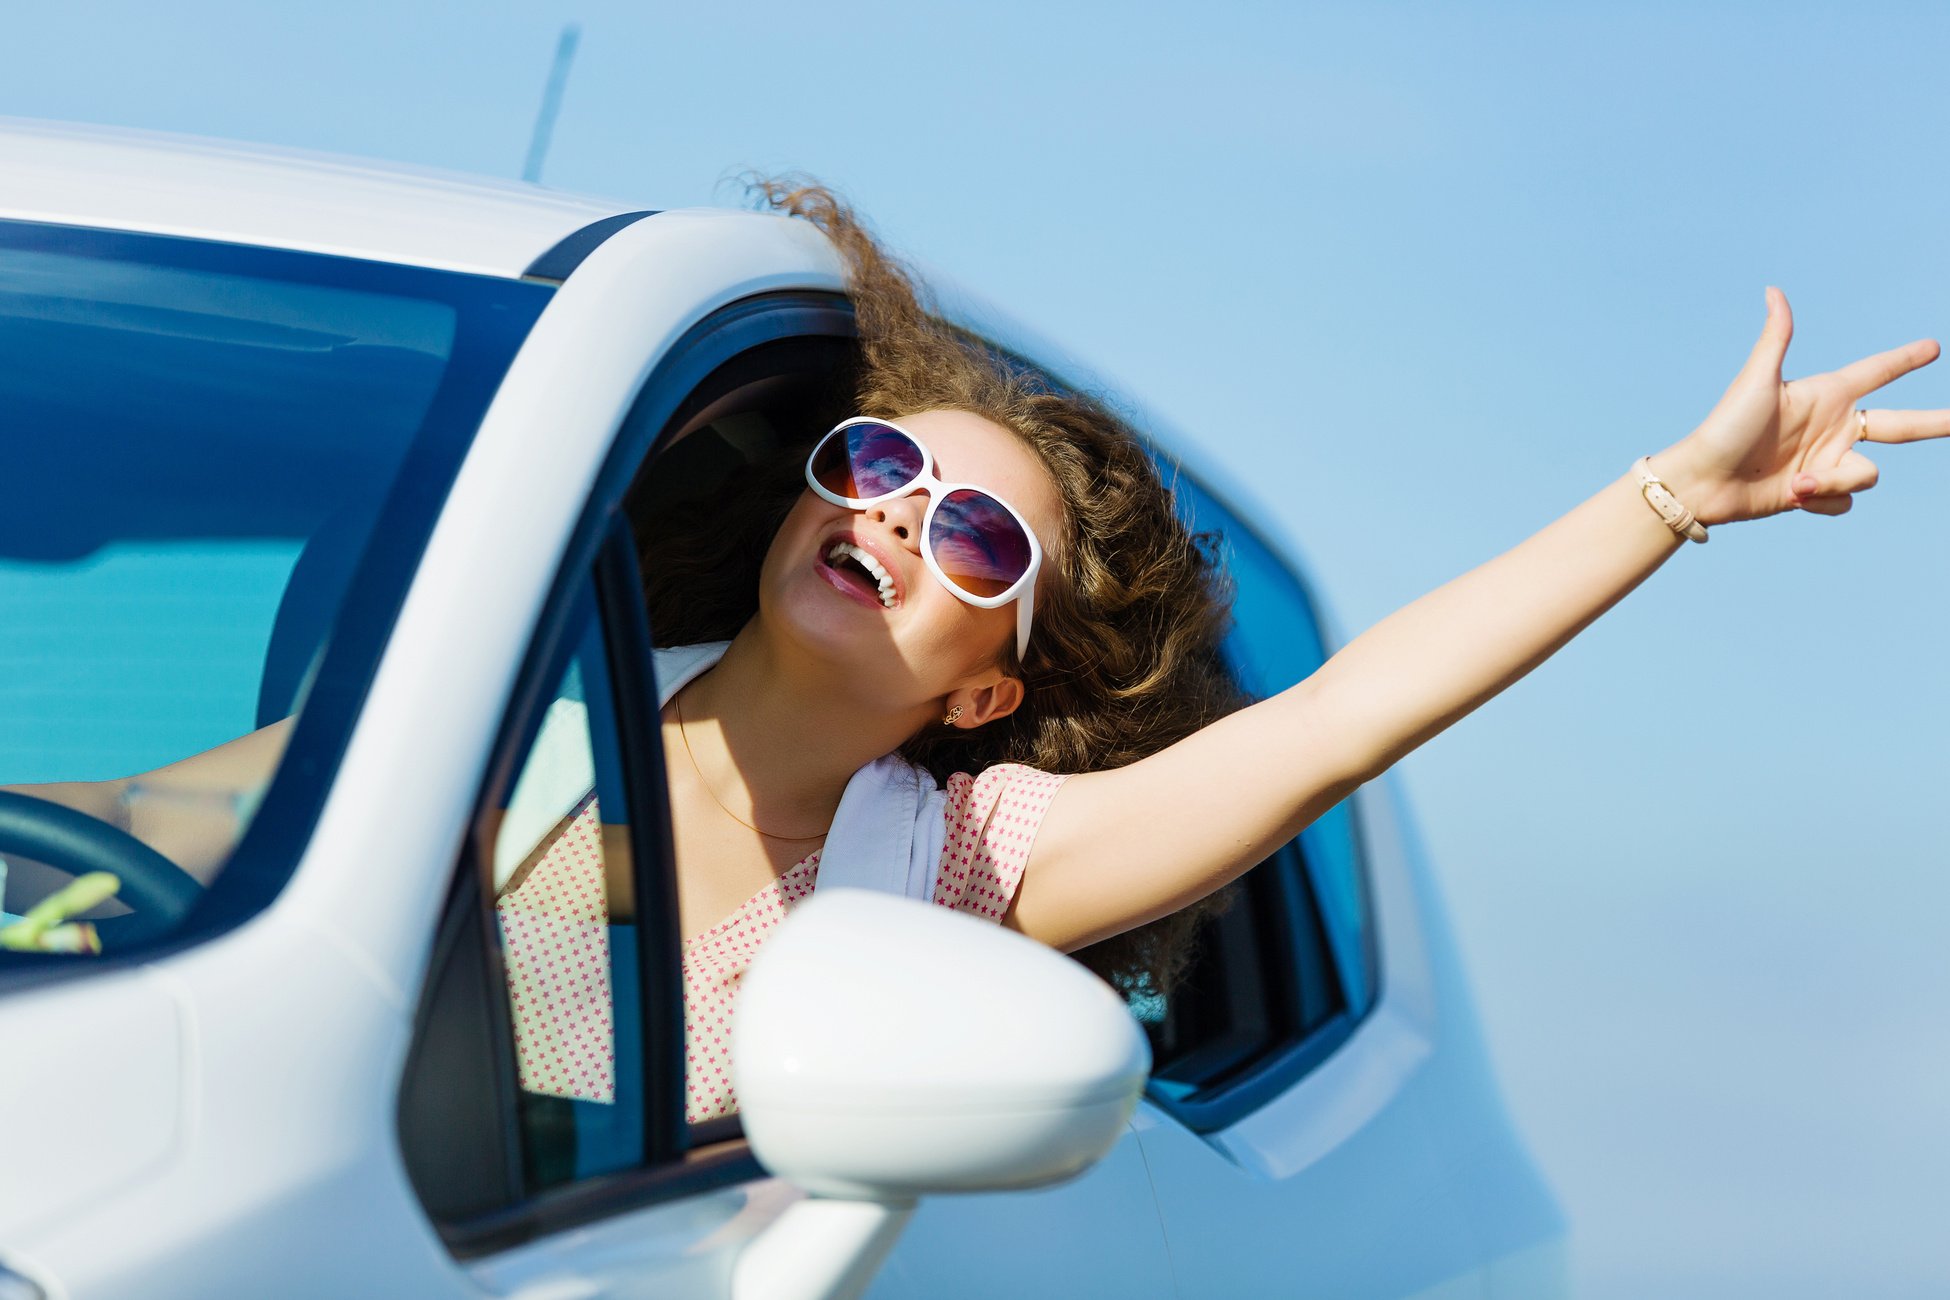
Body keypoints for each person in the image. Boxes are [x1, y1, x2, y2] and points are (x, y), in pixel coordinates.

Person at [7, 181, 1947, 1124]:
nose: (894, 517)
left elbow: (1336, 725)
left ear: (984, 688)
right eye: (876, 467)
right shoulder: (488, 714)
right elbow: (121, 835)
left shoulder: (952, 860)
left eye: (972, 537)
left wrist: (1673, 502)